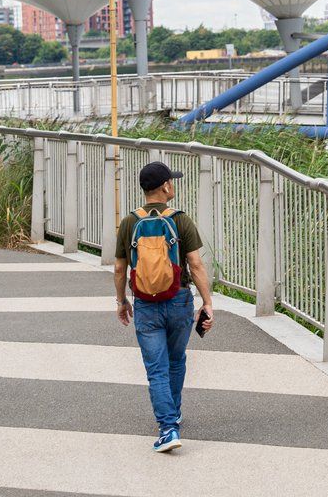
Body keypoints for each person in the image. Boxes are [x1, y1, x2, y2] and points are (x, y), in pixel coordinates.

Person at [114, 160, 214, 452]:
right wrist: (207, 303)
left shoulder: (130, 222)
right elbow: (195, 264)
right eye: (172, 181)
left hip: (145, 303)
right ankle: (173, 416)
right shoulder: (181, 219)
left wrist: (122, 302)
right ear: (165, 186)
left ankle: (168, 426)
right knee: (176, 359)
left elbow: (120, 269)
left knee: (156, 369)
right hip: (179, 300)